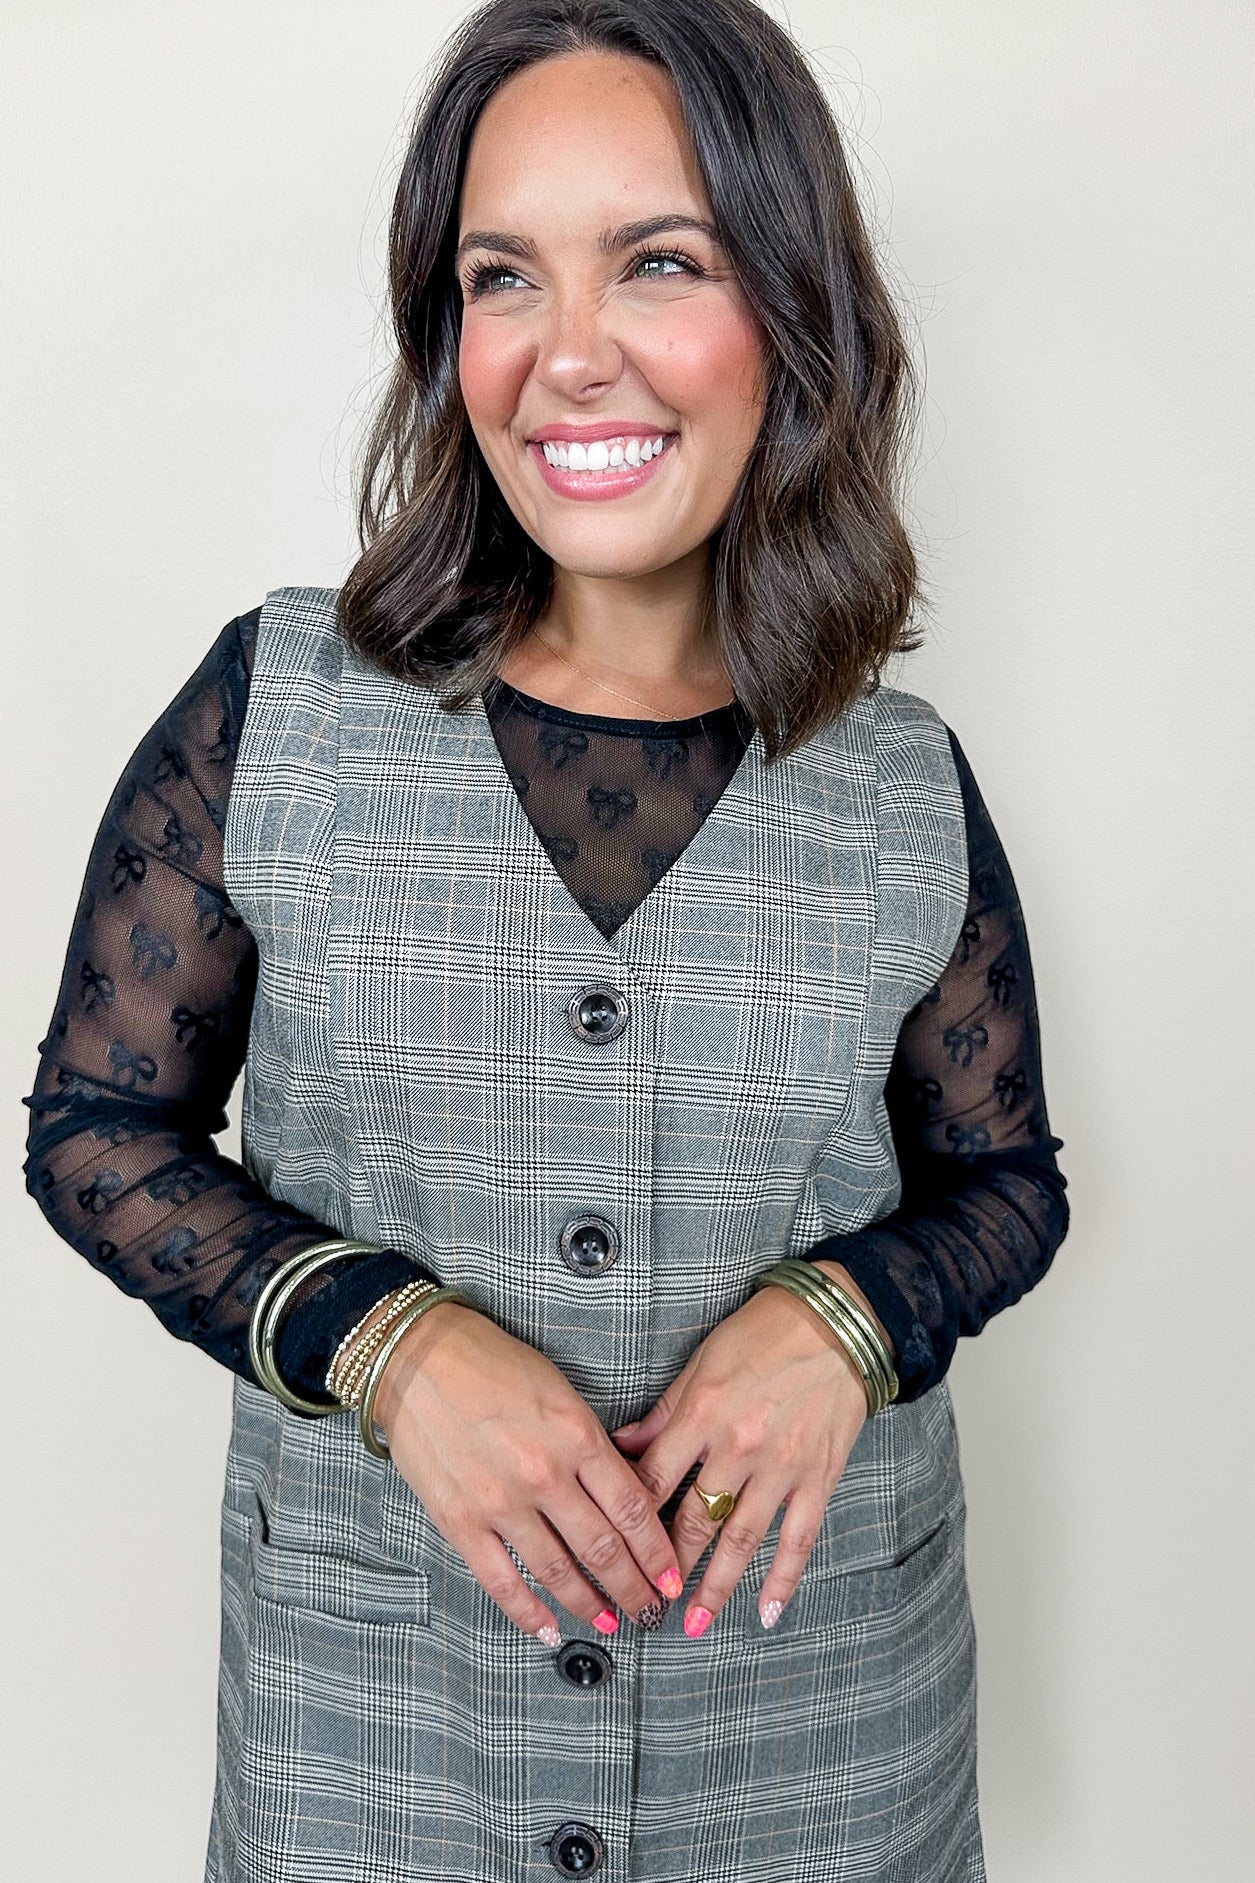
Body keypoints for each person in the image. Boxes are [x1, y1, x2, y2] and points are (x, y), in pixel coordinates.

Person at [21, 1, 1070, 1877]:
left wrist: (846, 1322)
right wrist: (385, 1342)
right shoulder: (276, 707)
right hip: (376, 1744)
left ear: (795, 314)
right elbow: (99, 1133)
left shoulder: (903, 781)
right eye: (502, 276)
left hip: (817, 1744)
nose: (568, 353)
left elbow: (1003, 1185)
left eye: (660, 261)